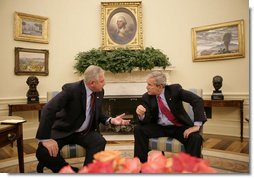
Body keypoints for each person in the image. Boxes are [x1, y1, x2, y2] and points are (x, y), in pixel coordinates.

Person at [36, 65, 130, 173]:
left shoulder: (100, 91)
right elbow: (48, 109)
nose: (104, 83)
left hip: (84, 132)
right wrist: (45, 139)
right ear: (92, 83)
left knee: (99, 142)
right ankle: (70, 172)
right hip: (64, 130)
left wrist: (111, 120)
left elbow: (97, 112)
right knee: (43, 152)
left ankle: (88, 172)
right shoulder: (71, 90)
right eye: (102, 81)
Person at [134, 71, 207, 163]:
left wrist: (196, 125)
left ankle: (192, 168)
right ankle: (140, 164)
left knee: (195, 138)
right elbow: (147, 119)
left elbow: (197, 100)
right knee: (138, 129)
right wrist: (142, 115)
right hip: (159, 127)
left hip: (179, 127)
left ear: (160, 86)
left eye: (149, 84)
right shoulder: (146, 97)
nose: (146, 87)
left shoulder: (174, 90)